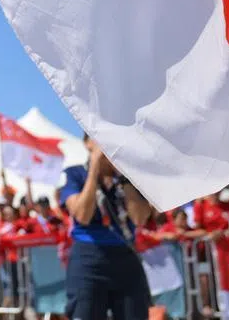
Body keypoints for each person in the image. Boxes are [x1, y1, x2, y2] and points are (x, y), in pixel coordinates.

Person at [58, 133, 154, 320]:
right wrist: (94, 169)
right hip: (89, 259)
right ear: (87, 144)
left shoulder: (128, 178)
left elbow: (140, 218)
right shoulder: (74, 174)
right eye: (98, 137)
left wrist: (123, 176)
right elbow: (82, 215)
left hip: (125, 256)